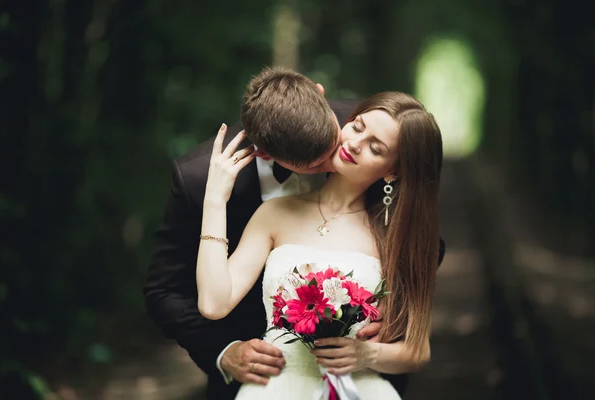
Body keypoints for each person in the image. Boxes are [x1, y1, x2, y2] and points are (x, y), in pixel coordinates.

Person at [144, 67, 445, 399]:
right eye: (315, 164)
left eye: (374, 147)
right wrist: (215, 201)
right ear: (266, 155)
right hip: (269, 377)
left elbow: (418, 238)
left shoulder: (376, 122)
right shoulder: (258, 206)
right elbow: (180, 294)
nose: (347, 147)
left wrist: (389, 305)